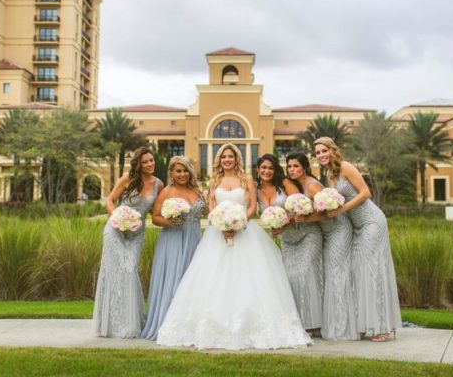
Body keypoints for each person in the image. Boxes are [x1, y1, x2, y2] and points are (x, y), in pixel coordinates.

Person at [157, 143, 310, 350]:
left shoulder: (246, 179)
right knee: (213, 279)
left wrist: (238, 222)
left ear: (236, 158)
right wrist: (221, 223)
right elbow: (211, 205)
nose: (227, 159)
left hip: (244, 232)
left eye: (230, 156)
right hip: (217, 234)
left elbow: (253, 206)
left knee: (250, 279)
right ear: (219, 160)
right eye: (223, 157)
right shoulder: (215, 181)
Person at [314, 136, 401, 341]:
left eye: (324, 151)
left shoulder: (346, 167)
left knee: (372, 272)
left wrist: (341, 209)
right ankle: (365, 323)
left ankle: (381, 327)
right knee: (358, 272)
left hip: (372, 222)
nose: (321, 155)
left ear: (332, 150)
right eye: (317, 153)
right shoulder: (329, 174)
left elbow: (365, 193)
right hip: (357, 227)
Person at [92, 147, 164, 338]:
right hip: (115, 230)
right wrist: (117, 217)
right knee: (115, 272)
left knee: (130, 270)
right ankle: (110, 324)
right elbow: (110, 200)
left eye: (152, 160)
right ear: (139, 164)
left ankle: (131, 323)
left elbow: (155, 212)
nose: (150, 164)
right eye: (146, 161)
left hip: (136, 234)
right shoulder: (127, 179)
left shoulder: (159, 185)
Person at [287, 152, 359, 341]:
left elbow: (330, 213)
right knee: (330, 275)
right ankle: (330, 322)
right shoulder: (300, 186)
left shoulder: (312, 186)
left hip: (337, 230)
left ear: (304, 168)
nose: (291, 169)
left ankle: (342, 327)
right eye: (289, 166)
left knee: (337, 275)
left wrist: (306, 218)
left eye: (295, 166)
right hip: (326, 233)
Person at [140, 156, 205, 340]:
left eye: (185, 170)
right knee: (175, 279)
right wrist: (169, 221)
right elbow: (155, 217)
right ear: (171, 173)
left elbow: (206, 211)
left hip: (194, 240)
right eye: (178, 171)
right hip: (174, 240)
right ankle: (170, 325)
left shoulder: (196, 190)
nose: (183, 174)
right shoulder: (167, 192)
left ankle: (191, 325)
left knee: (193, 281)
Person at [257, 153, 323, 334]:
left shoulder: (285, 184)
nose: (267, 171)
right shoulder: (256, 191)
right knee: (290, 279)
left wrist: (286, 221)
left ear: (275, 169)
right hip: (287, 241)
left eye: (270, 168)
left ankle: (315, 323)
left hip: (306, 234)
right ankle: (300, 323)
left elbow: (302, 206)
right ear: (258, 170)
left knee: (306, 274)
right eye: (263, 168)